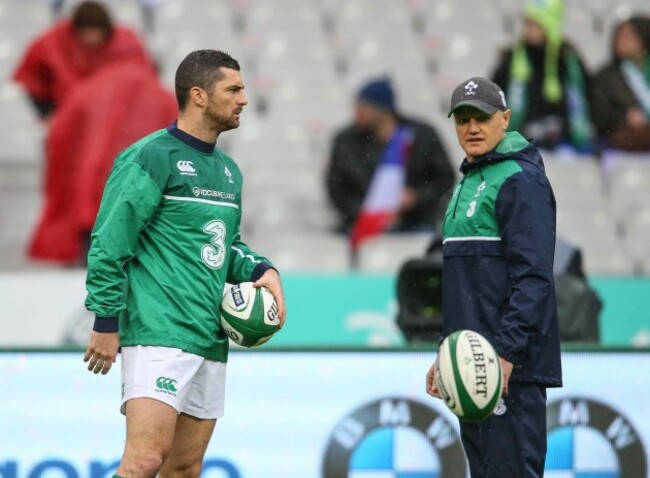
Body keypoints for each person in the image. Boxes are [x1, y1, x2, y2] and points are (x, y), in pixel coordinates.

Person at [83, 50, 286, 477]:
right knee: (144, 461)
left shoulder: (229, 172)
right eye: (233, 89)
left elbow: (223, 246)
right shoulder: (151, 157)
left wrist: (261, 270)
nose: (243, 99)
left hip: (210, 337)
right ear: (198, 95)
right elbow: (109, 242)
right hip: (159, 333)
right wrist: (106, 320)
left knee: (185, 467)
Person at [425, 77, 562, 477]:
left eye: (482, 118)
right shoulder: (468, 180)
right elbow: (464, 286)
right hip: (474, 369)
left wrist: (505, 355)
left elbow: (534, 277)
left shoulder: (520, 180)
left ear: (505, 119)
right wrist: (446, 353)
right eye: (462, 119)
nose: (472, 128)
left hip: (507, 370)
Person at [27, 60, 177, 265]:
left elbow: (59, 136)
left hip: (93, 191)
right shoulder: (165, 98)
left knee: (94, 270)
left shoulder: (88, 90)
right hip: (143, 201)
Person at [326, 77, 455, 236]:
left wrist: (416, 198)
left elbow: (444, 179)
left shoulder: (423, 136)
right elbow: (337, 190)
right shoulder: (345, 141)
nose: (357, 112)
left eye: (363, 107)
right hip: (360, 224)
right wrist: (369, 214)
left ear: (382, 110)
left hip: (416, 223)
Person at [13, 1, 155, 122]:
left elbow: (145, 82)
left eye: (95, 33)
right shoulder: (55, 43)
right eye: (85, 33)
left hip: (114, 121)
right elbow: (31, 76)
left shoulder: (126, 46)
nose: (90, 39)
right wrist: (47, 113)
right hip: (68, 118)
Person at [491, 0, 592, 152]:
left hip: (566, 142)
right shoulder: (511, 59)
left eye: (534, 24)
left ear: (549, 25)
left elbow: (584, 99)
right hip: (521, 142)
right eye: (526, 23)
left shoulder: (569, 59)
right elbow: (495, 97)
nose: (527, 29)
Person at [592, 15, 650, 152]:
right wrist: (625, 117)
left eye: (629, 36)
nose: (621, 41)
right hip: (622, 136)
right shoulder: (606, 76)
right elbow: (599, 113)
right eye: (619, 36)